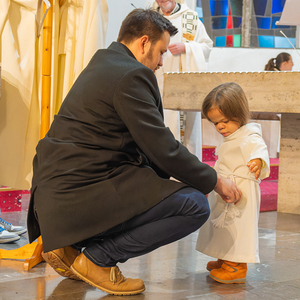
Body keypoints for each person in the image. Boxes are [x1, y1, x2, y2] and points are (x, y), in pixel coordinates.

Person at [27, 9, 241, 296]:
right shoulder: (132, 75)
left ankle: (72, 247)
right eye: (161, 52)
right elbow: (163, 148)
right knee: (193, 204)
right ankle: (97, 260)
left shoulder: (102, 62)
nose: (162, 62)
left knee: (159, 185)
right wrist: (214, 180)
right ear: (143, 43)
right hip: (77, 192)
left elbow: (141, 146)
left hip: (55, 193)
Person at [196, 82, 270, 284]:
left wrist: (258, 161)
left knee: (238, 227)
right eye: (215, 123)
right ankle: (225, 257)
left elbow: (260, 150)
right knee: (223, 226)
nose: (220, 127)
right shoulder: (233, 135)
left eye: (225, 121)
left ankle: (237, 267)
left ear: (239, 113)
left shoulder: (250, 135)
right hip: (225, 188)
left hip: (241, 193)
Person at [154, 0, 213, 160]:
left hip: (183, 87)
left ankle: (185, 175)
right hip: (156, 83)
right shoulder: (151, 17)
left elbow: (207, 46)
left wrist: (186, 47)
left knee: (185, 134)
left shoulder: (190, 18)